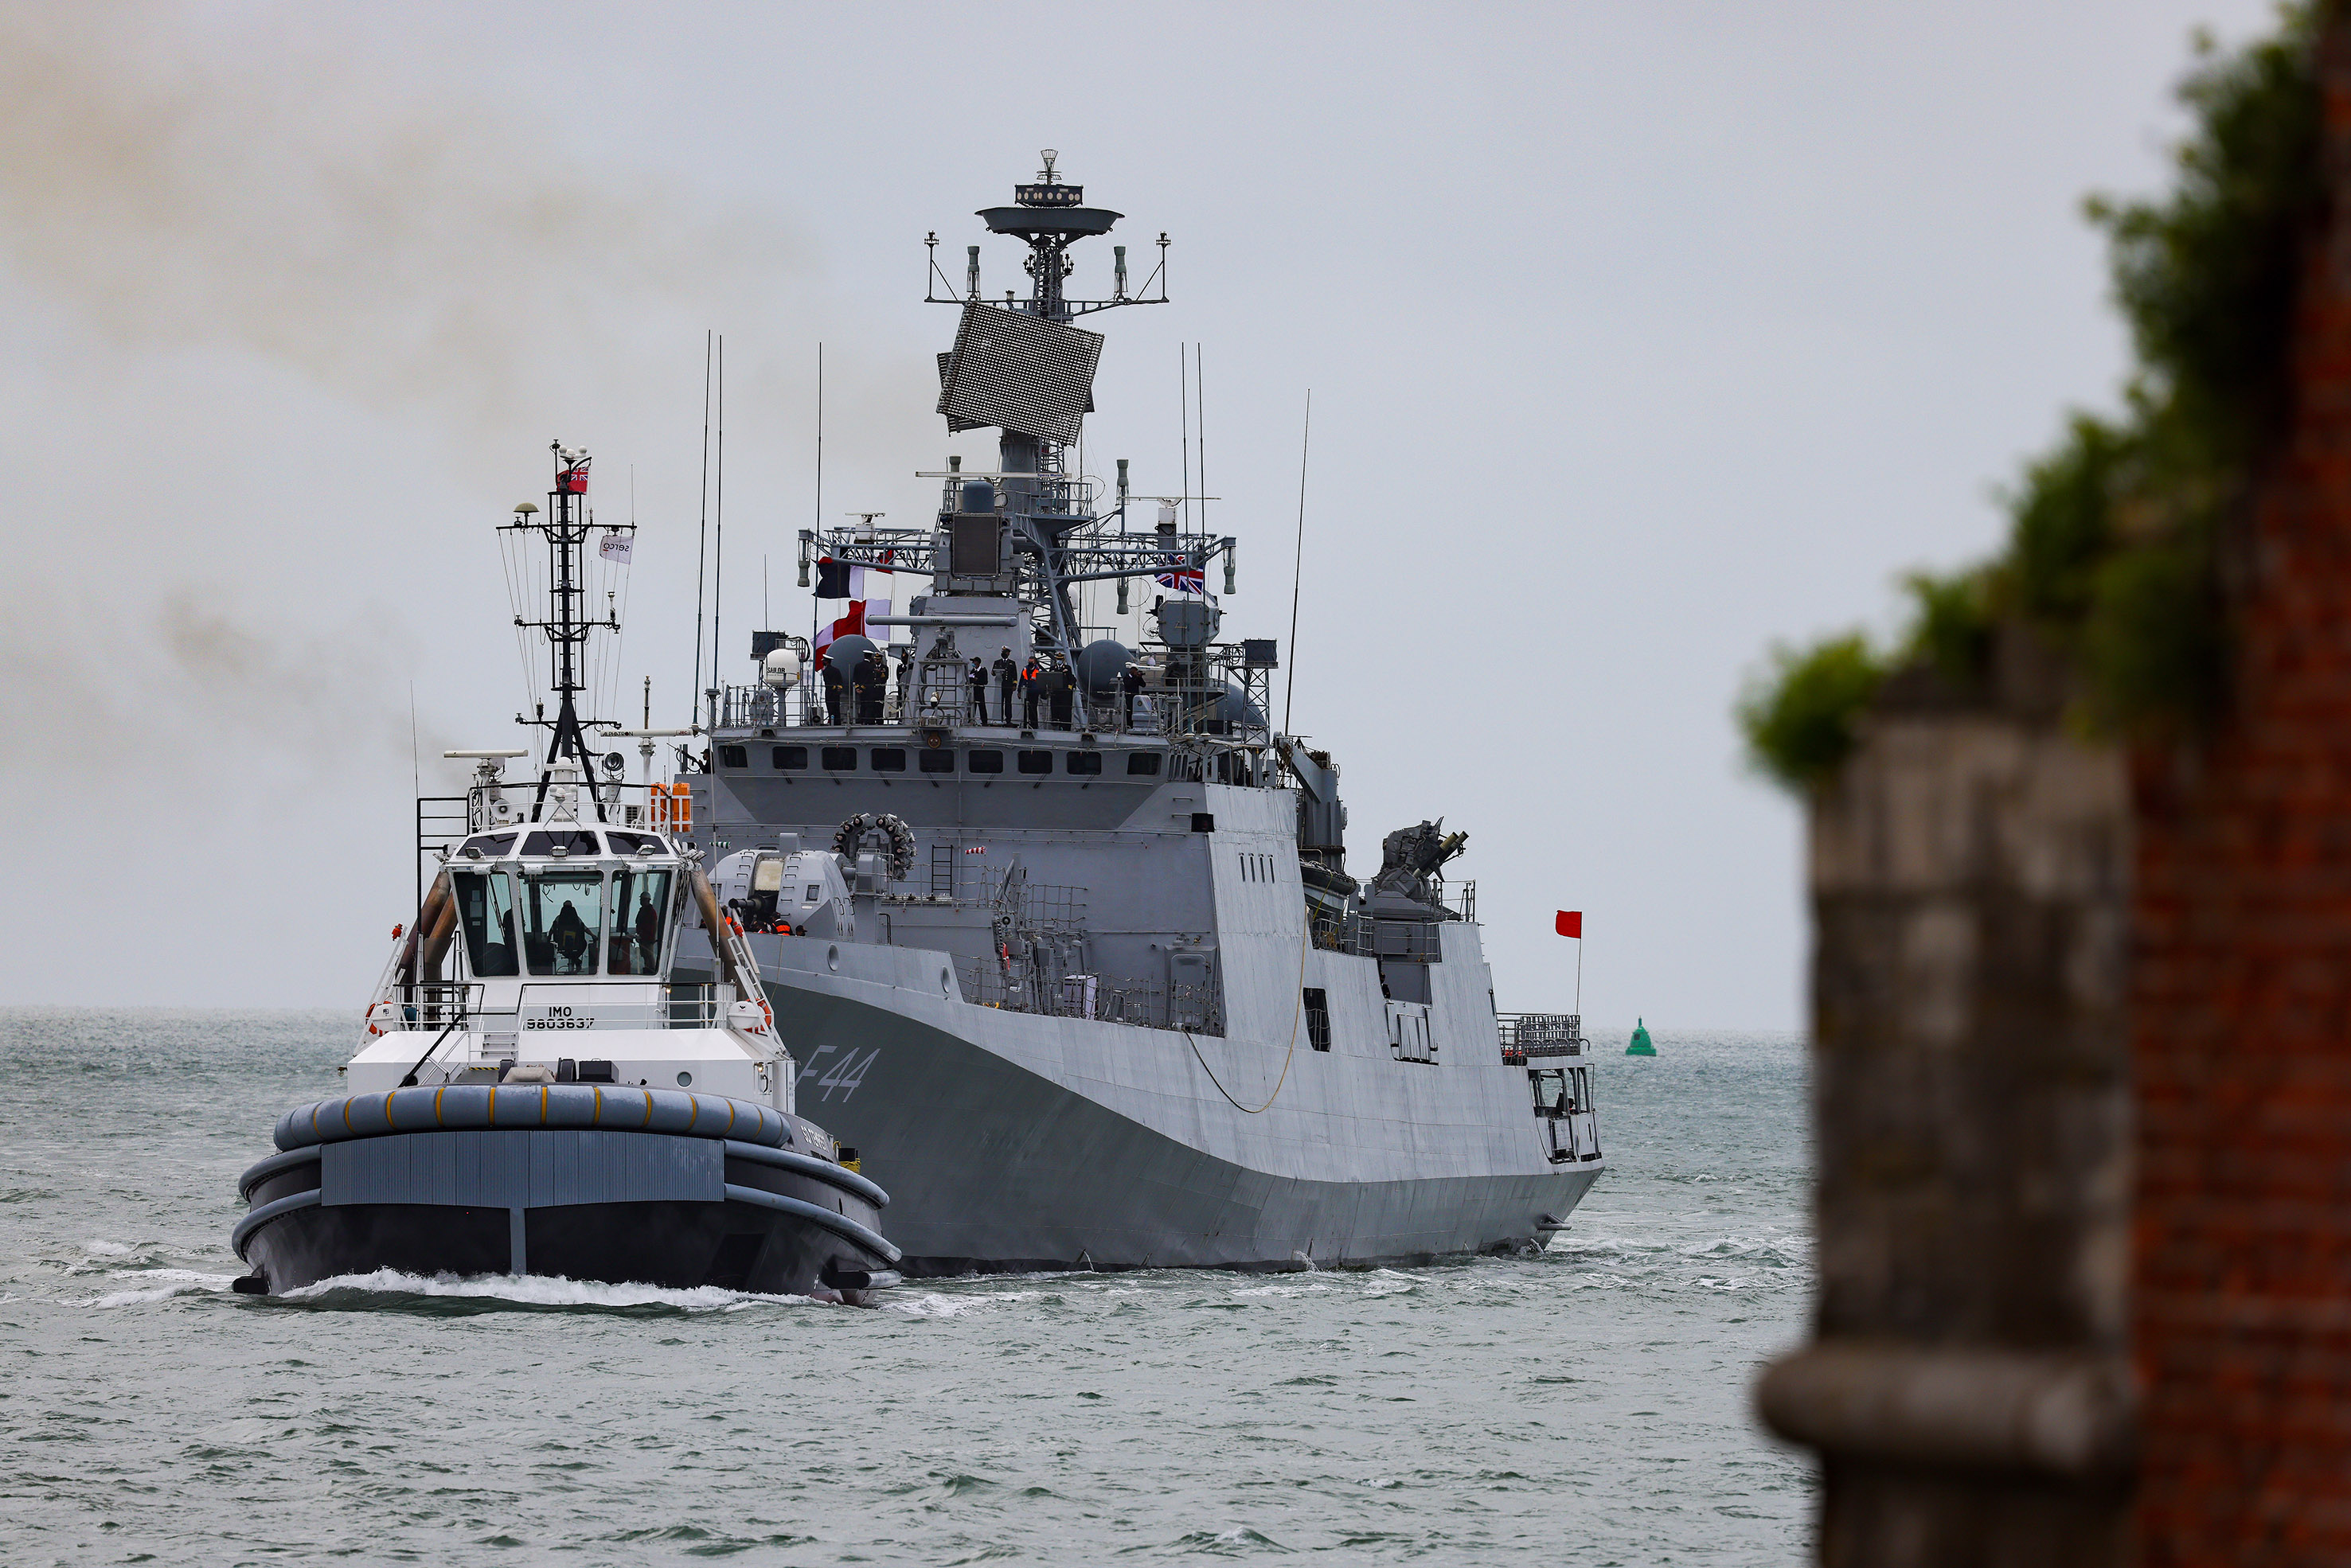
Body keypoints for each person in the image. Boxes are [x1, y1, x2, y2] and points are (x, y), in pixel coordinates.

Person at [549, 899, 591, 973]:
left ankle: (576, 961)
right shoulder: (577, 919)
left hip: (562, 944)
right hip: (577, 944)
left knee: (568, 952)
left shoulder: (558, 919)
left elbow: (552, 929)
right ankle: (576, 961)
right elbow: (585, 928)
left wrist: (548, 937)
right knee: (583, 944)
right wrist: (593, 935)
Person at [857, 650, 888, 724]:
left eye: (878, 659)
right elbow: (869, 678)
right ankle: (871, 721)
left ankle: (880, 721)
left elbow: (884, 678)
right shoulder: (871, 667)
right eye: (875, 659)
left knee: (879, 707)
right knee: (872, 707)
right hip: (872, 691)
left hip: (880, 690)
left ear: (881, 659)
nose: (876, 660)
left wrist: (879, 673)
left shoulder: (885, 668)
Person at [992, 647, 1018, 727]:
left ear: (1008, 653)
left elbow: (1015, 675)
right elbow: (993, 673)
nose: (1004, 653)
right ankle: (999, 718)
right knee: (1000, 703)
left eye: (1006, 652)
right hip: (1000, 686)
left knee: (1008, 703)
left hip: (1008, 685)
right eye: (1003, 652)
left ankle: (1008, 720)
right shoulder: (997, 662)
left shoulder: (1012, 663)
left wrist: (1014, 685)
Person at [1049, 656, 1076, 731]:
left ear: (1063, 660)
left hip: (1065, 693)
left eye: (1060, 659)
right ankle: (1055, 722)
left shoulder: (1067, 668)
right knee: (1055, 709)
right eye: (1058, 659)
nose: (1059, 661)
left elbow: (1071, 679)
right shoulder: (1053, 669)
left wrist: (1069, 688)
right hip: (1055, 692)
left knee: (1065, 710)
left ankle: (1065, 726)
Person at [1119, 661, 1145, 729]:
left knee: (1136, 711)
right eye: (1134, 670)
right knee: (1129, 711)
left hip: (1136, 697)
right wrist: (1135, 677)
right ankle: (1128, 725)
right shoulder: (1126, 678)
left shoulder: (1136, 678)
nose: (1135, 671)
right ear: (1131, 670)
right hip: (1129, 697)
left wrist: (1140, 677)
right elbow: (1128, 684)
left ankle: (1136, 725)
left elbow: (1143, 685)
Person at [1020, 655, 1042, 730]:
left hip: (1034, 692)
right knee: (1025, 709)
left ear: (1035, 662)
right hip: (1026, 691)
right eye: (1029, 661)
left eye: (1031, 662)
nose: (1030, 663)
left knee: (1033, 708)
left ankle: (1034, 725)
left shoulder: (1038, 670)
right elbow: (1021, 680)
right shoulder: (1025, 669)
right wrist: (1019, 691)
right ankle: (1025, 724)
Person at [822, 658, 846, 724]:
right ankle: (838, 722)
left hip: (830, 692)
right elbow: (840, 681)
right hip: (837, 693)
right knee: (836, 708)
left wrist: (834, 687)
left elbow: (827, 682)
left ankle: (832, 722)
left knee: (831, 708)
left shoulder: (825, 671)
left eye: (824, 661)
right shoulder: (836, 670)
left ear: (826, 662)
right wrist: (839, 688)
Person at [967, 656, 989, 724]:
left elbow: (985, 681)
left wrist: (976, 680)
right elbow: (969, 679)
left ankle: (984, 721)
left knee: (981, 706)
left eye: (974, 662)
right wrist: (974, 680)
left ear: (978, 663)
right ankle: (970, 719)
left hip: (980, 690)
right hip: (973, 690)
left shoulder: (983, 671)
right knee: (972, 706)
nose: (973, 663)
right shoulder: (973, 671)